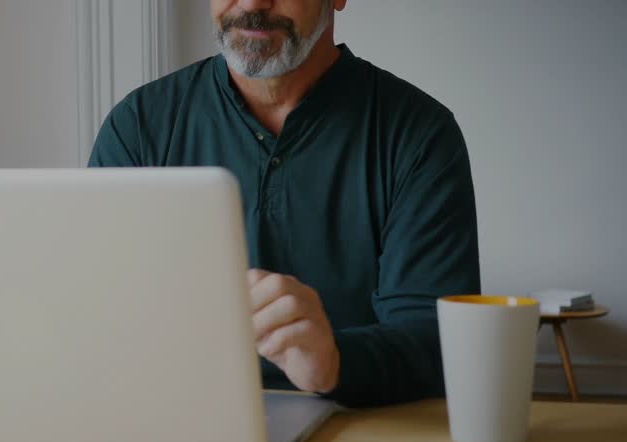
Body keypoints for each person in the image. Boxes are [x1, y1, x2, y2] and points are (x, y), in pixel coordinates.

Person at [88, 0, 480, 407]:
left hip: (361, 429)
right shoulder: (136, 128)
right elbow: (94, 317)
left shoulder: (420, 136)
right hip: (176, 421)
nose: (254, 3)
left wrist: (334, 361)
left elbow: (436, 340)